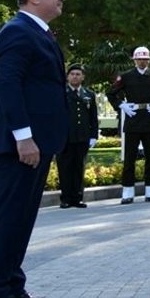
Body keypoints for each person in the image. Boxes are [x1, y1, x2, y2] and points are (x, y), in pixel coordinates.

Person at [0, 0, 67, 298]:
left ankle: (13, 286)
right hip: (20, 145)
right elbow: (9, 86)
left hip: (37, 142)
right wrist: (23, 136)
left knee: (22, 220)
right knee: (9, 220)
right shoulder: (17, 31)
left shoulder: (38, 32)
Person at [107, 46, 150, 204]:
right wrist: (121, 105)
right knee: (129, 158)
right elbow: (111, 93)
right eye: (139, 59)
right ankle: (127, 191)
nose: (142, 62)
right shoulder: (126, 76)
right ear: (134, 60)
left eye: (145, 59)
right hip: (133, 119)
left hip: (149, 117)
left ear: (149, 60)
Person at [57, 64, 97, 208]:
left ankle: (78, 197)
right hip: (65, 137)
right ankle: (66, 198)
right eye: (72, 74)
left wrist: (94, 135)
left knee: (79, 168)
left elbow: (93, 117)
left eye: (78, 74)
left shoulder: (88, 94)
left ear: (83, 77)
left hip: (82, 137)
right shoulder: (61, 93)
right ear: (67, 77)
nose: (75, 76)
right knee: (65, 168)